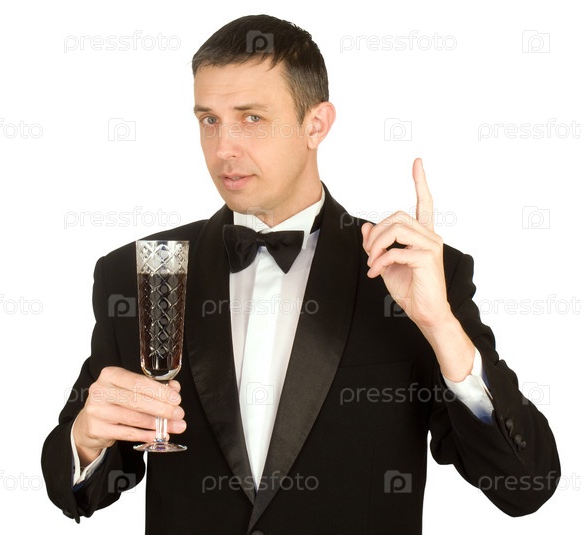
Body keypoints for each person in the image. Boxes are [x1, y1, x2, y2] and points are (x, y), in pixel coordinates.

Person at [41, 14, 560, 534]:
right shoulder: (143, 272)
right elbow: (75, 491)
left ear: (316, 124)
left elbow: (525, 486)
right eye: (209, 120)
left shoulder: (414, 274)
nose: (223, 148)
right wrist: (85, 440)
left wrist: (440, 325)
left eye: (251, 118)